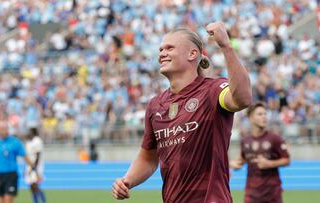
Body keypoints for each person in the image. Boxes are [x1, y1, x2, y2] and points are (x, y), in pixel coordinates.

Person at [112, 22, 252, 202]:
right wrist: (127, 181)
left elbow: (243, 99)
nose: (162, 54)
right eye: (161, 49)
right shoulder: (155, 105)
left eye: (169, 48)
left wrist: (226, 46)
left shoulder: (213, 90)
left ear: (193, 54)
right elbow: (148, 157)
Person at [229, 102, 290, 203]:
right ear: (250, 118)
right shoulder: (245, 141)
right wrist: (234, 164)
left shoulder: (275, 139)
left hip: (272, 194)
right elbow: (243, 159)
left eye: (265, 114)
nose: (264, 117)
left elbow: (286, 159)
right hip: (251, 194)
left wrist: (270, 163)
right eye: (260, 114)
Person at [0, 112, 40, 203]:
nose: (4, 131)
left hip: (11, 175)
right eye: (1, 129)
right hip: (0, 175)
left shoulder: (15, 142)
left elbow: (25, 157)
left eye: (5, 129)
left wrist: (35, 170)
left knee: (8, 200)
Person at [25, 128, 46, 203]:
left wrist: (34, 168)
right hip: (30, 165)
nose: (28, 133)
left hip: (36, 165)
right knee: (31, 186)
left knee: (35, 185)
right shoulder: (28, 142)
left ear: (33, 133)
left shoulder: (37, 141)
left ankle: (43, 201)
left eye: (29, 132)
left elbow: (38, 155)